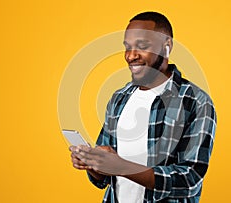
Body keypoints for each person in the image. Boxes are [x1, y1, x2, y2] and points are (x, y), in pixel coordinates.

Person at [69, 11, 217, 203]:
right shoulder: (119, 98)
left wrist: (121, 167)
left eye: (142, 46)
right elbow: (105, 176)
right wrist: (92, 164)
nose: (131, 56)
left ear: (166, 47)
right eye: (127, 47)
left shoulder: (196, 101)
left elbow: (189, 181)